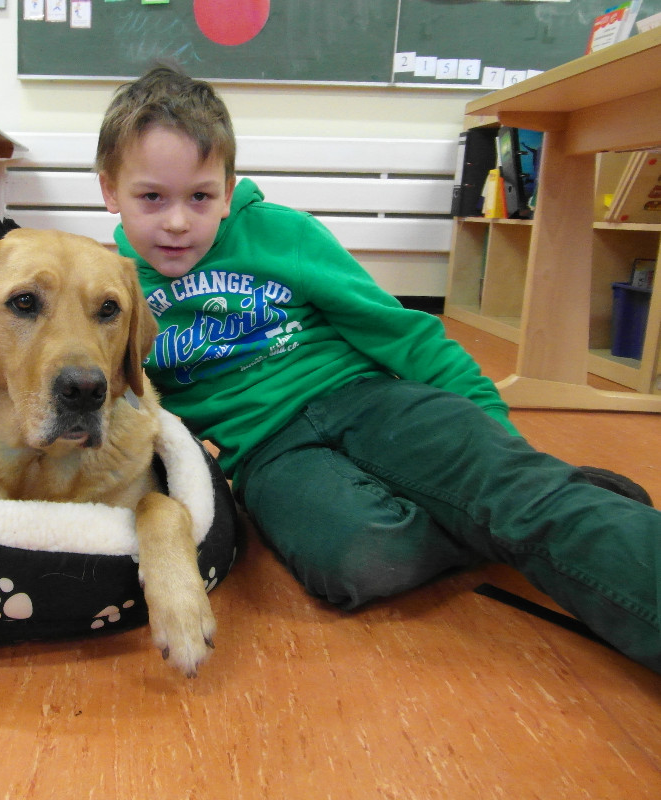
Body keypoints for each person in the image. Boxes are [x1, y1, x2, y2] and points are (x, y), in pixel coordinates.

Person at [95, 65, 661, 673]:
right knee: (358, 560)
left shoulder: (283, 234)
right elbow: (136, 412)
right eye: (152, 197)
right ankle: (518, 501)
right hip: (267, 455)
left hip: (369, 399)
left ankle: (529, 492)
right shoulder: (110, 291)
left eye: (200, 197)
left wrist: (497, 441)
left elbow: (401, 333)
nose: (177, 221)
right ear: (110, 191)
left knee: (514, 492)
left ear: (229, 191)